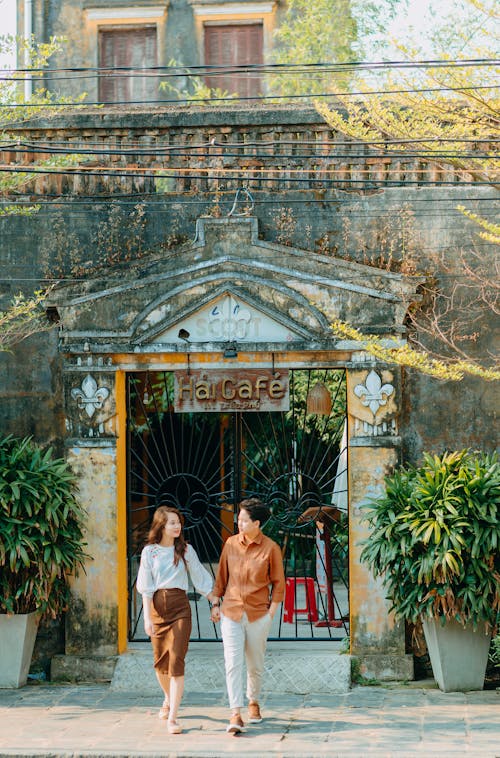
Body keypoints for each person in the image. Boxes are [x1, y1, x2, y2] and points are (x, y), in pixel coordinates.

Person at [136, 505, 216, 734]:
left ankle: (173, 716)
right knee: (160, 663)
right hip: (158, 609)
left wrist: (213, 599)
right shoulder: (149, 552)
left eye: (178, 522)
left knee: (176, 660)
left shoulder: (185, 550)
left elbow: (199, 576)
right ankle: (168, 698)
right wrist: (147, 618)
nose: (177, 526)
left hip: (180, 607)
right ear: (161, 525)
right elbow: (145, 587)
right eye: (172, 522)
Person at [210, 497, 285, 734]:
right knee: (233, 663)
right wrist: (215, 602)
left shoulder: (271, 548)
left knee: (255, 665)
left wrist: (270, 615)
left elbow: (279, 584)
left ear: (257, 523)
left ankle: (253, 702)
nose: (239, 523)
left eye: (243, 520)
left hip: (257, 615)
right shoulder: (230, 544)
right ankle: (235, 713)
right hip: (231, 612)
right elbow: (221, 578)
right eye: (239, 519)